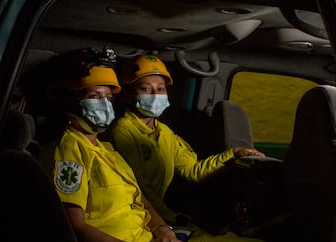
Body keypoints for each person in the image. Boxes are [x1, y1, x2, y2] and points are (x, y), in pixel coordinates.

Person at [47, 48, 282, 242]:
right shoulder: (69, 151)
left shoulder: (105, 149)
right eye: (94, 96)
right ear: (70, 102)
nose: (104, 104)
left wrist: (163, 232)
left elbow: (143, 196)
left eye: (106, 96)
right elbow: (75, 230)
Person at [108, 54, 265, 228]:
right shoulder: (123, 129)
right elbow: (140, 187)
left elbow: (193, 170)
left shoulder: (164, 133)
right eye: (146, 89)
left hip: (153, 215)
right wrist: (171, 218)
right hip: (132, 214)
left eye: (160, 89)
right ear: (130, 95)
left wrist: (233, 154)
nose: (155, 95)